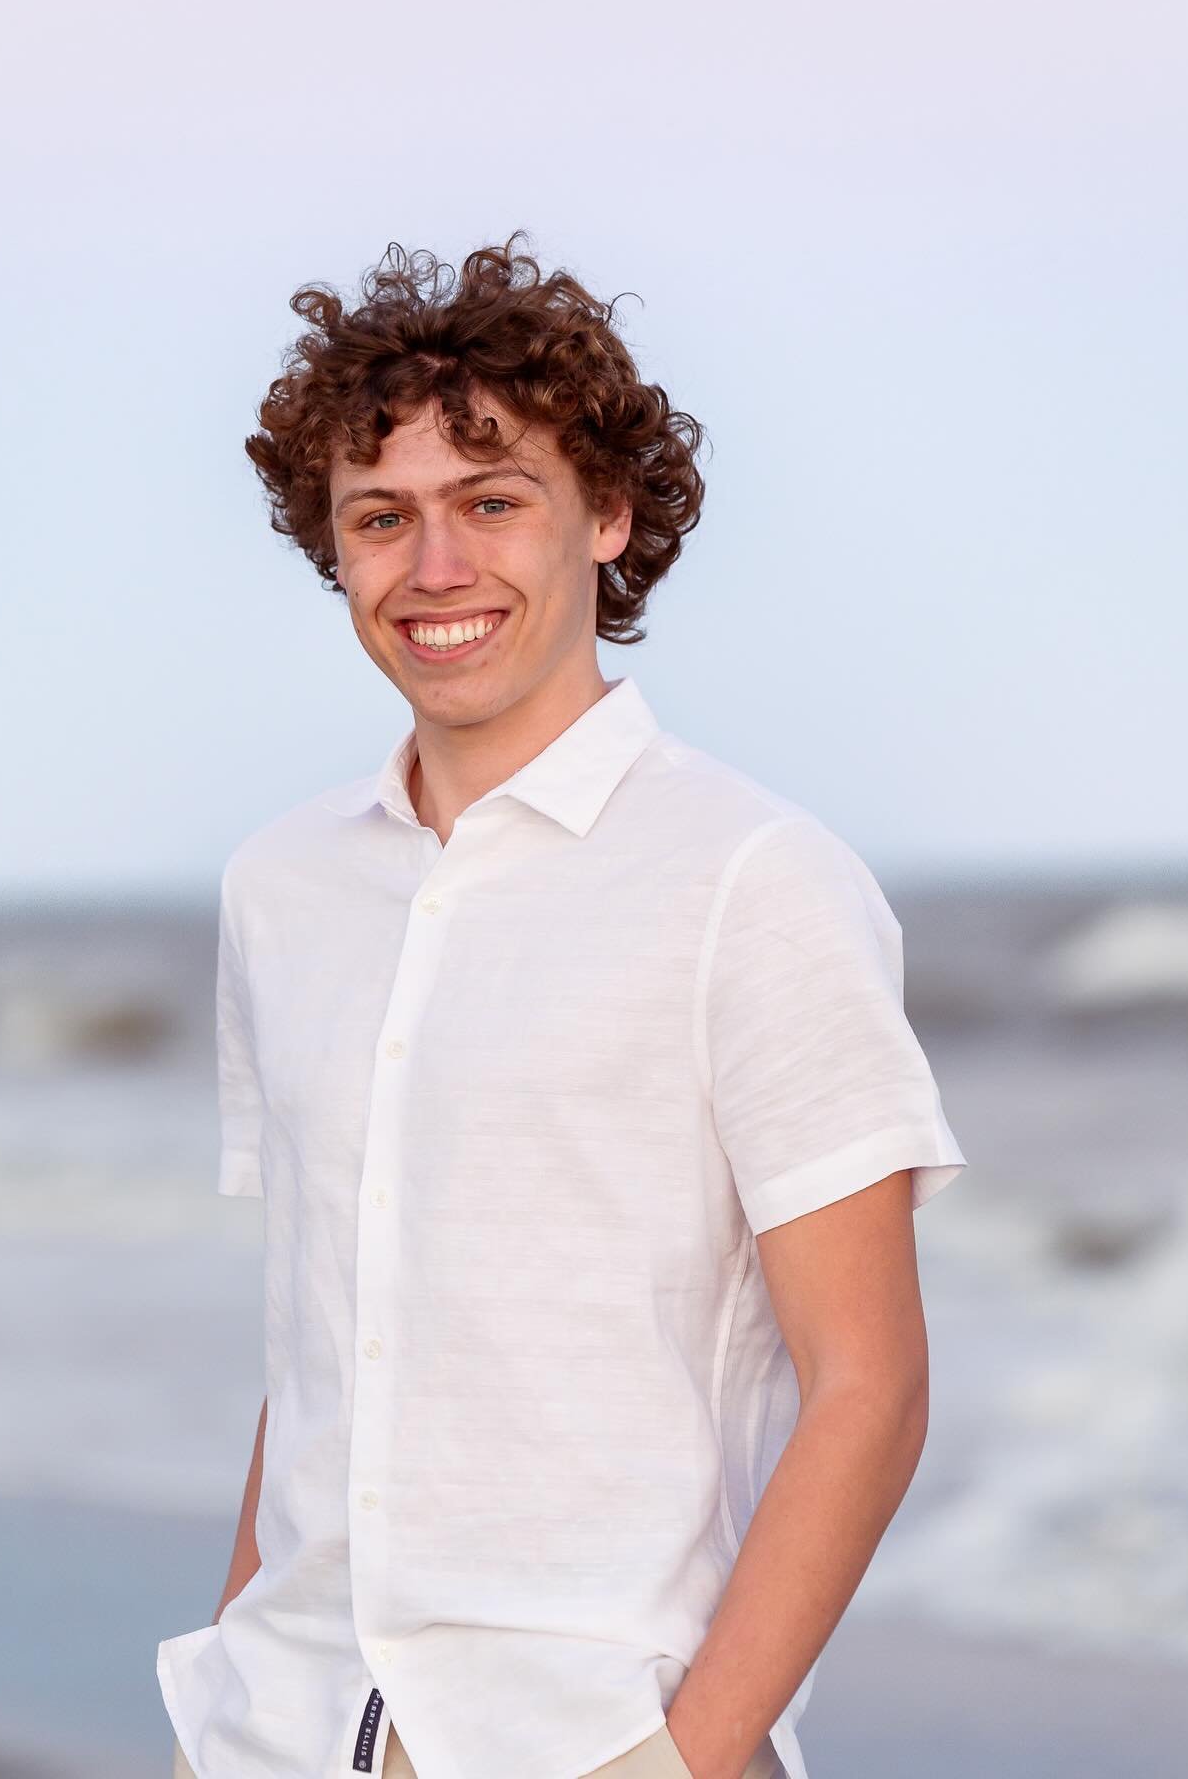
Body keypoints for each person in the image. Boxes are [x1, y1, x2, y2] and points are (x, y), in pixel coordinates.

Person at [157, 232, 968, 1779]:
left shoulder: (756, 880)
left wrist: (687, 1757)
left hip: (597, 1736)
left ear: (607, 515)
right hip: (283, 1726)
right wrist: (236, 1663)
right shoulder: (280, 890)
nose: (436, 568)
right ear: (334, 552)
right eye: (380, 518)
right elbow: (329, 1339)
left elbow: (870, 1386)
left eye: (492, 502)